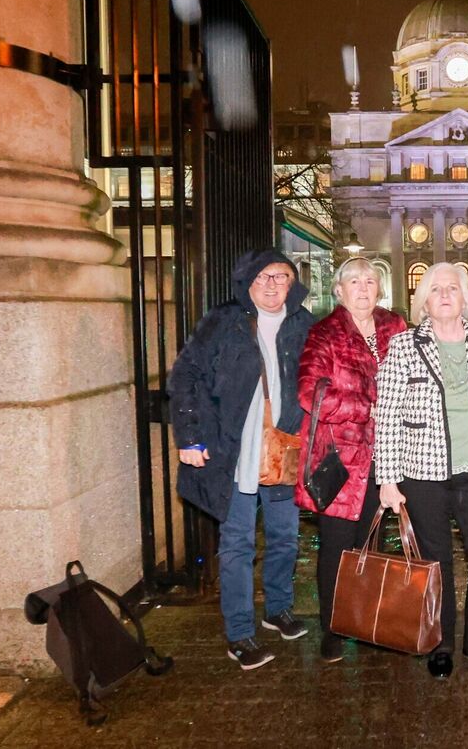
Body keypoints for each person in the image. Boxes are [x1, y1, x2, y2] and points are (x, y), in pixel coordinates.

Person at [374, 262, 468, 679]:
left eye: (453, 288)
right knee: (435, 564)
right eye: (436, 288)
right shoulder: (405, 346)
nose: (445, 294)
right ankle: (440, 642)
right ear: (423, 301)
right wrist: (387, 479)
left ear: (465, 298)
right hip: (421, 475)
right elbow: (385, 414)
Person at [168, 249, 315, 670]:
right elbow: (186, 376)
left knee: (286, 536)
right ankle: (239, 633)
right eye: (263, 277)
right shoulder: (223, 322)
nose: (272, 285)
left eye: (281, 276)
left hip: (283, 446)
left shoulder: (303, 324)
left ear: (292, 283)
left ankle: (278, 608)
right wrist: (190, 436)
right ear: (247, 282)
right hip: (231, 448)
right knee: (238, 543)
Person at [295, 257, 407, 664]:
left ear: (380, 288)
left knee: (371, 541)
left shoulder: (396, 327)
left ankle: (364, 619)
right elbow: (311, 393)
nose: (363, 287)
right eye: (354, 281)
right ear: (339, 291)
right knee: (337, 548)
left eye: (370, 280)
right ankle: (332, 628)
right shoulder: (324, 333)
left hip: (389, 455)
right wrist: (367, 407)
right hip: (341, 461)